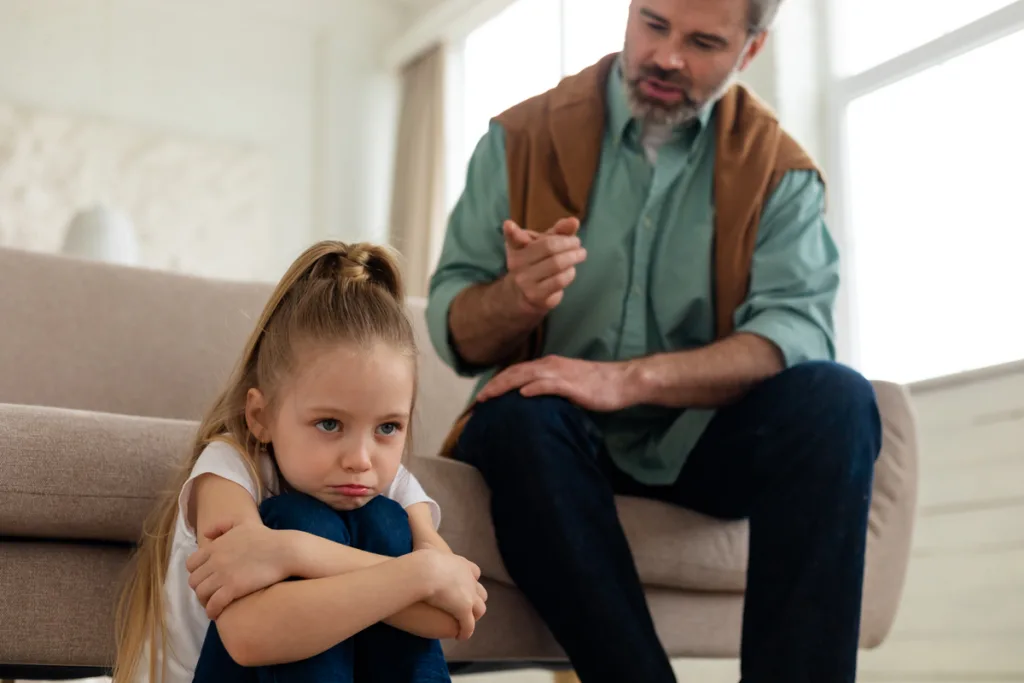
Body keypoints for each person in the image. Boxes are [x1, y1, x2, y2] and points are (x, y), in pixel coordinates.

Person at [426, 0, 882, 681]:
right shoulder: (516, 139)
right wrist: (512, 298)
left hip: (703, 443)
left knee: (838, 401)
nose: (667, 57)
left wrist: (627, 379)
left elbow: (797, 329)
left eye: (702, 41)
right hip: (552, 441)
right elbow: (452, 326)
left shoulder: (780, 172)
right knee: (512, 418)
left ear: (749, 51)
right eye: (654, 23)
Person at [113, 240, 487, 683]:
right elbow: (250, 636)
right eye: (329, 424)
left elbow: (453, 612)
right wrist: (417, 573)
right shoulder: (228, 472)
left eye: (388, 428)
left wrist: (293, 553)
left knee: (384, 521)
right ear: (261, 416)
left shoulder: (391, 488)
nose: (360, 460)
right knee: (297, 517)